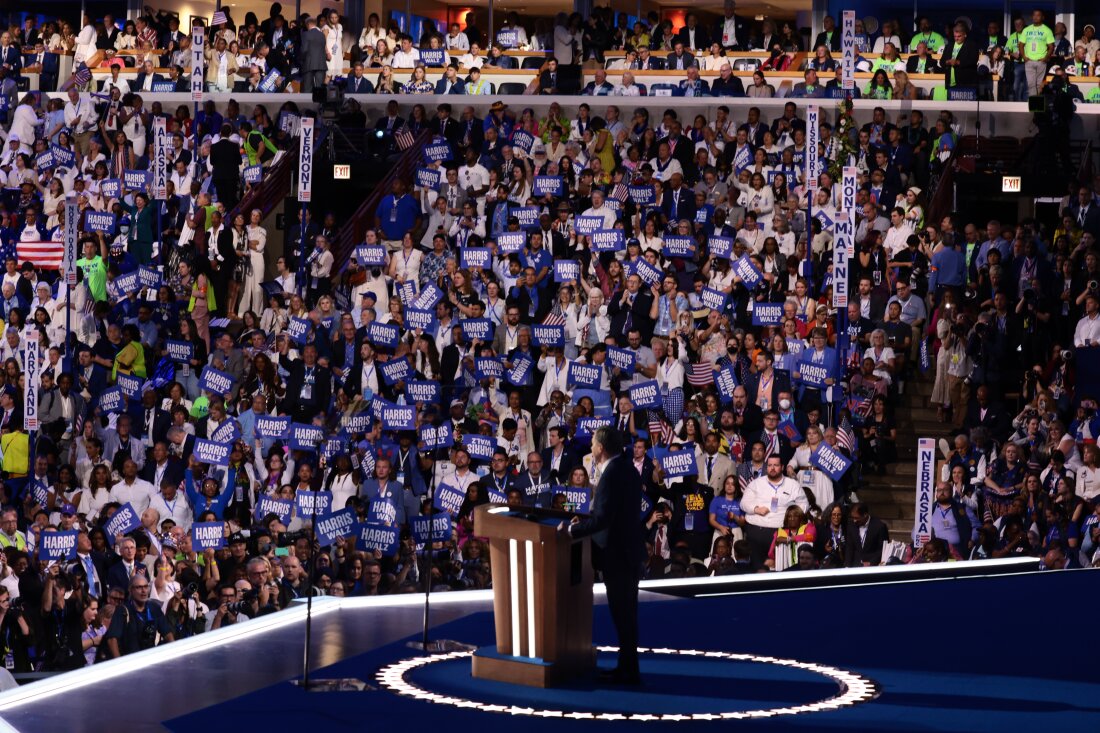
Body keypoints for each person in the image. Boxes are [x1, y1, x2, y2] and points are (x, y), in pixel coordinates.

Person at [564, 426, 645, 684]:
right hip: (628, 551)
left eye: (592, 444)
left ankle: (628, 671)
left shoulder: (611, 474)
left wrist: (572, 530)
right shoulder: (627, 469)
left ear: (601, 448)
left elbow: (603, 519)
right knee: (626, 614)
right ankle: (628, 668)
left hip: (618, 555)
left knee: (622, 613)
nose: (590, 448)